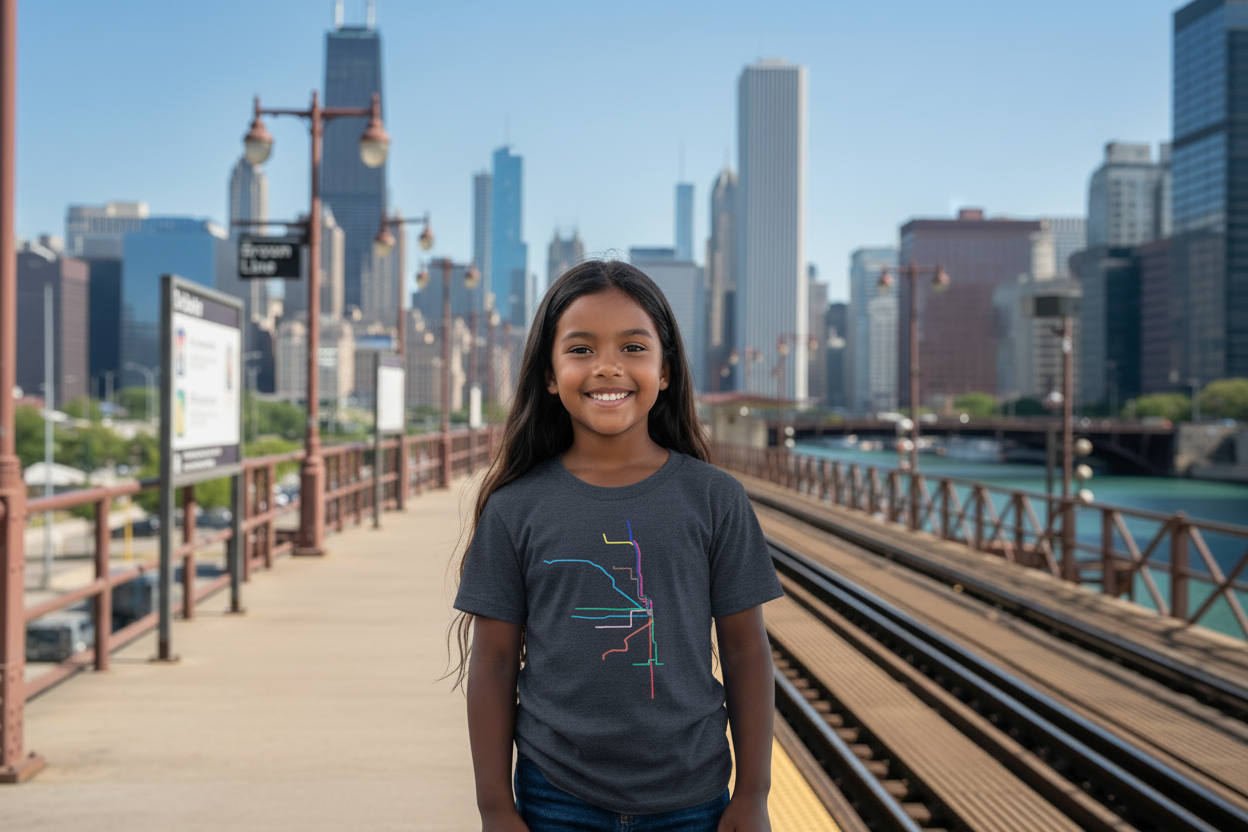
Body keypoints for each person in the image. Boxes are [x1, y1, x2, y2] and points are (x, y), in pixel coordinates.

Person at [450, 259, 782, 831]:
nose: (608, 367)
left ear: (666, 371)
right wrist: (495, 808)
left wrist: (752, 793)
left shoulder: (715, 499)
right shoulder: (515, 509)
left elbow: (747, 653)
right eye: (581, 350)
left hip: (693, 795)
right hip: (555, 796)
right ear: (550, 375)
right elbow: (496, 661)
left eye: (633, 348)